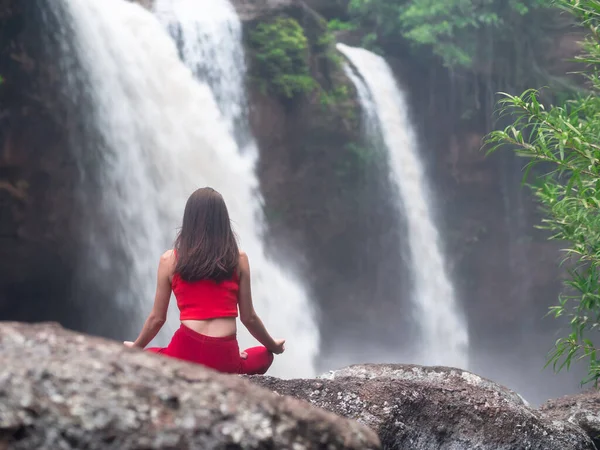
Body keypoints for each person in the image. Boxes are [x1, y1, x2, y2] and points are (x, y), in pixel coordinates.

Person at [124, 187, 285, 375]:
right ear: (223, 222)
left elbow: (157, 319)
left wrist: (136, 347)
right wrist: (273, 345)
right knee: (263, 355)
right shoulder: (239, 259)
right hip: (224, 356)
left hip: (184, 353)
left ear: (189, 221)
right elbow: (248, 318)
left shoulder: (169, 260)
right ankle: (231, 357)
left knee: (148, 356)